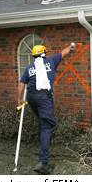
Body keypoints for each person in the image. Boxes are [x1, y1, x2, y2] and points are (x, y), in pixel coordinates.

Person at [17, 43, 76, 174]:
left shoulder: (29, 68)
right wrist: (71, 47)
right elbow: (64, 52)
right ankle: (43, 162)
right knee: (47, 125)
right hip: (44, 98)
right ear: (44, 54)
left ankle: (42, 142)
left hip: (31, 98)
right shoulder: (51, 61)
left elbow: (21, 84)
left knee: (43, 122)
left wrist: (19, 99)